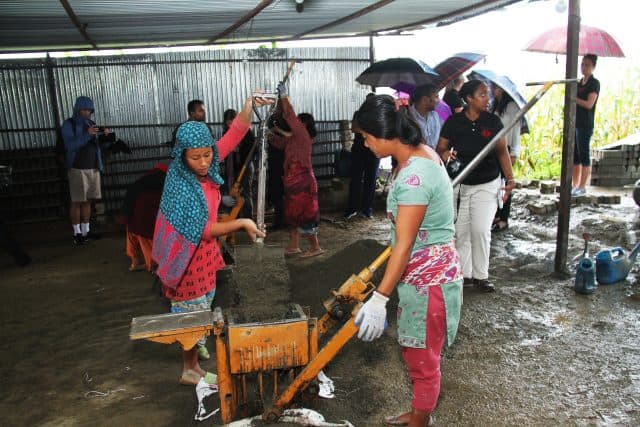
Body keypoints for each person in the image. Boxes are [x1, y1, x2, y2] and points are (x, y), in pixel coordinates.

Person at [353, 95, 463, 427]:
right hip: (425, 277)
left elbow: (403, 246)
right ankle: (419, 413)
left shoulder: (415, 177)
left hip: (430, 282)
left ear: (383, 134)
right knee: (417, 351)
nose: (365, 144)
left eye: (366, 137)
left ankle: (420, 421)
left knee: (422, 357)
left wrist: (379, 298)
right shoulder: (417, 156)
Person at [152, 91, 270, 385]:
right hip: (186, 258)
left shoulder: (205, 161)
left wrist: (247, 108)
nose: (204, 162)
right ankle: (189, 369)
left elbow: (232, 138)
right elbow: (203, 230)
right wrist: (242, 221)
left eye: (207, 155)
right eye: (196, 157)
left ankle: (195, 349)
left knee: (202, 305)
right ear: (182, 155)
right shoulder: (181, 184)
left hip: (203, 254)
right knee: (190, 313)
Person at [436, 80, 515, 292]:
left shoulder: (493, 122)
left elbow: (501, 152)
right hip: (460, 183)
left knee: (480, 229)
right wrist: (445, 154)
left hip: (487, 182)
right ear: (469, 98)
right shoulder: (454, 122)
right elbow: (441, 148)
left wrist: (510, 178)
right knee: (462, 232)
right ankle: (465, 275)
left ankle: (481, 276)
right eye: (482, 95)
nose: (487, 99)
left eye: (487, 95)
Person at [268, 83, 323, 258]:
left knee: (306, 216)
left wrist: (284, 96)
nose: (295, 123)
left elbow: (290, 115)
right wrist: (269, 135)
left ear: (303, 124)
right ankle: (294, 246)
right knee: (292, 215)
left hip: (303, 184)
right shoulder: (293, 140)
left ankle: (315, 247)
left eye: (299, 121)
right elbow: (279, 143)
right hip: (293, 184)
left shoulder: (302, 136)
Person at [61, 96, 109, 245]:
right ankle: (76, 234)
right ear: (77, 109)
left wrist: (106, 139)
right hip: (77, 168)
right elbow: (70, 146)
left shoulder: (91, 124)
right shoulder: (69, 124)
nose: (86, 112)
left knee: (88, 201)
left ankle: (85, 231)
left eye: (89, 109)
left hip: (93, 167)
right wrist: (87, 134)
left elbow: (97, 148)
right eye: (83, 109)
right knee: (77, 201)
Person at [118, 163, 167, 272]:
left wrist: (124, 216)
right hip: (145, 219)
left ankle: (135, 263)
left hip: (133, 218)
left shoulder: (141, 181)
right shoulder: (166, 182)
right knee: (148, 239)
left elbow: (129, 199)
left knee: (133, 236)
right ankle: (153, 266)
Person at [490, 81, 521, 232]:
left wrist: (514, 152)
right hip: (494, 149)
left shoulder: (512, 107)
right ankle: (496, 214)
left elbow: (515, 131)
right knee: (496, 183)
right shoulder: (496, 105)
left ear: (501, 89)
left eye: (494, 88)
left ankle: (504, 218)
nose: (492, 90)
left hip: (506, 148)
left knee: (506, 183)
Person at [344, 95, 380, 219]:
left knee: (371, 180)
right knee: (356, 179)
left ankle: (367, 209)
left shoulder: (379, 115)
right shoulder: (358, 113)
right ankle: (352, 209)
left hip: (374, 151)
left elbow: (380, 130)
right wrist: (369, 129)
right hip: (359, 150)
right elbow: (354, 128)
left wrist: (364, 129)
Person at [572, 54, 600, 197]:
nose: (584, 67)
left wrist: (574, 99)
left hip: (585, 124)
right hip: (575, 122)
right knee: (575, 156)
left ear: (593, 67)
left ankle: (582, 187)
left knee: (584, 155)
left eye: (587, 65)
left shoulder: (594, 83)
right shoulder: (578, 82)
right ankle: (574, 185)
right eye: (582, 64)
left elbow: (589, 104)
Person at [222, 108, 256, 218]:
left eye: (233, 121)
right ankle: (234, 218)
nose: (230, 124)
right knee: (233, 191)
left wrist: (238, 149)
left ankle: (247, 219)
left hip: (245, 166)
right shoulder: (226, 132)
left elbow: (253, 149)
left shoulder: (246, 131)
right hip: (232, 168)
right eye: (228, 122)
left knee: (245, 192)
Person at [408, 84, 443, 149]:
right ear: (425, 100)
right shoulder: (407, 117)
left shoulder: (435, 115)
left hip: (436, 157)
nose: (439, 101)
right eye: (436, 97)